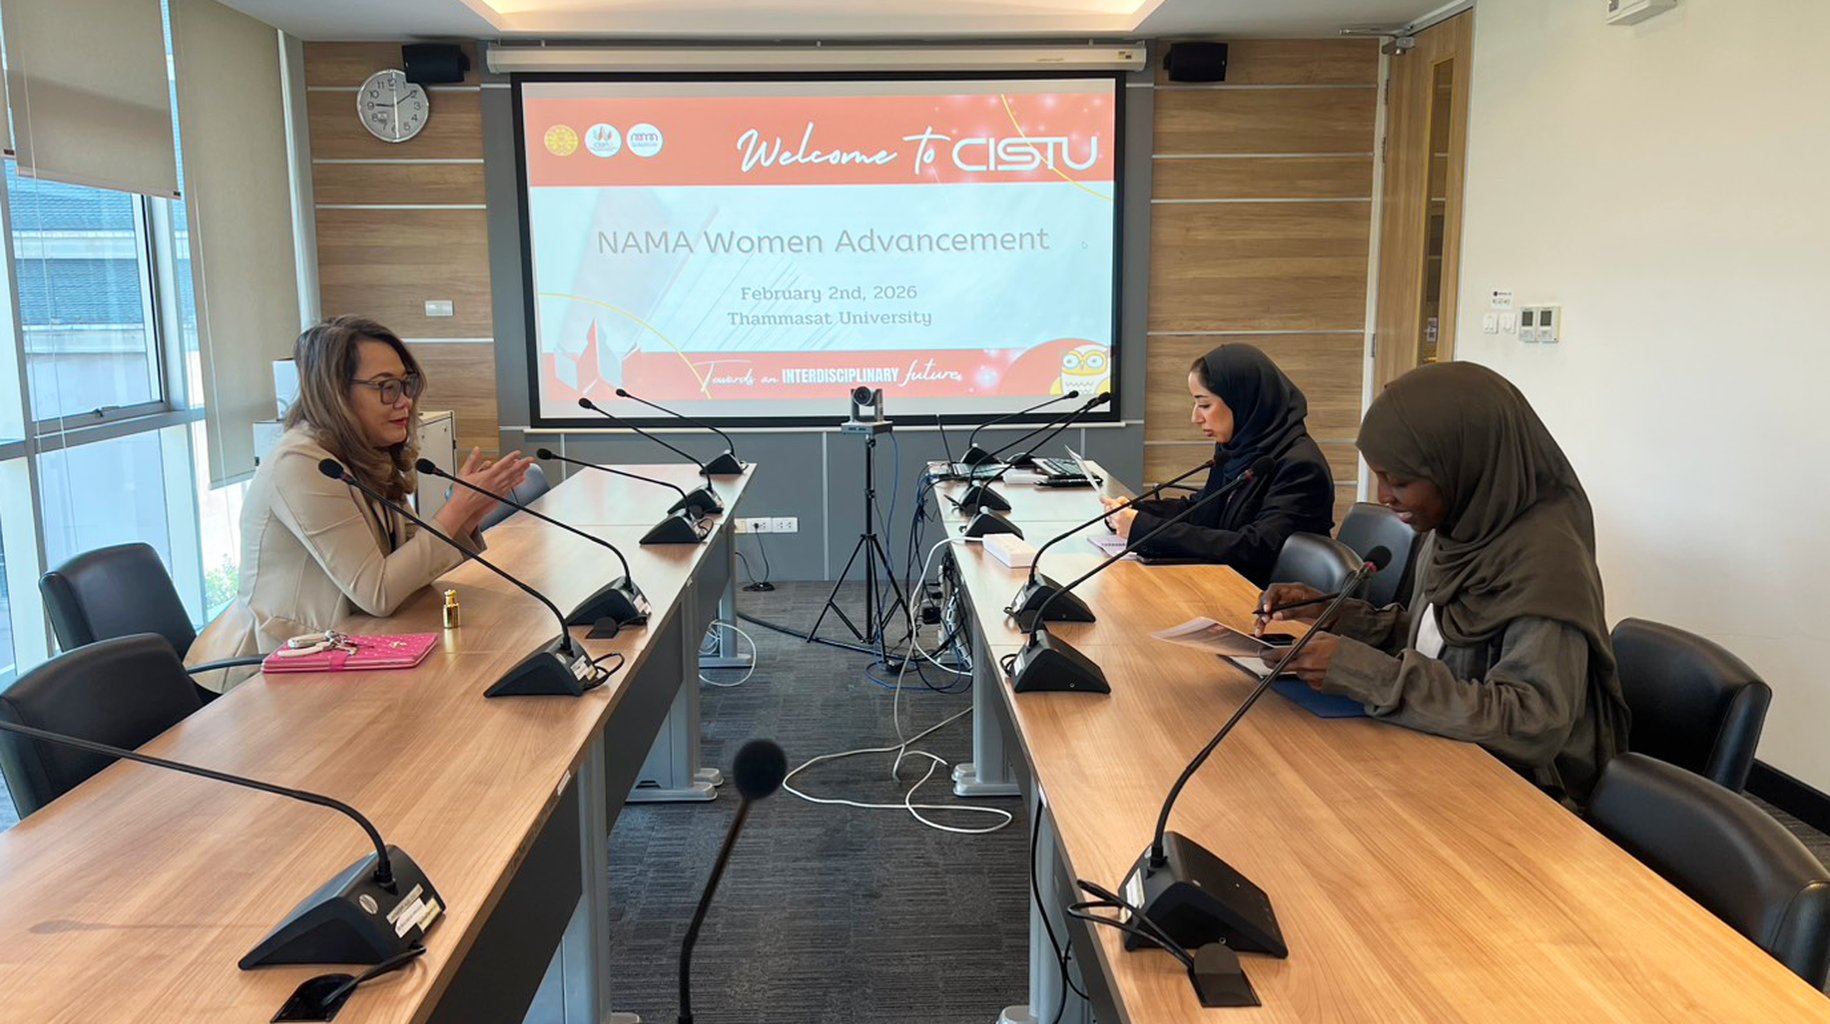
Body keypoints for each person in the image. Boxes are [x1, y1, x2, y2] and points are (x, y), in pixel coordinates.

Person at [1255, 362, 1630, 805]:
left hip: (1522, 795)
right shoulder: (1458, 529)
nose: (1384, 497)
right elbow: (1436, 641)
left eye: (1400, 481)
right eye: (1380, 476)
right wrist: (1335, 615)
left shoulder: (1548, 565)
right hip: (1440, 756)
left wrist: (1367, 674)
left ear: (1463, 466)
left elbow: (1531, 723)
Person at [186, 316, 534, 692]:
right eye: (386, 387)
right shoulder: (301, 464)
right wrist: (456, 512)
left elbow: (406, 560)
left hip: (341, 653)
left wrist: (468, 516)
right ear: (335, 393)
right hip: (260, 676)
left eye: (406, 384)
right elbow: (377, 593)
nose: (405, 400)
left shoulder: (364, 450)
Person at [1100, 343, 1335, 585]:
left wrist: (1144, 529)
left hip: (1264, 598)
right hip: (1225, 584)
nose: (1195, 417)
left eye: (1204, 405)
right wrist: (1135, 512)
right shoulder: (1237, 449)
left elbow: (1255, 548)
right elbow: (1203, 509)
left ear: (1243, 400)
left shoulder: (1301, 467)